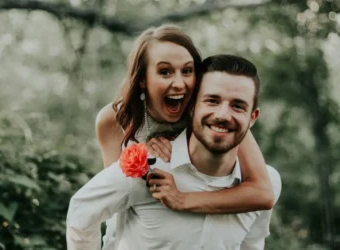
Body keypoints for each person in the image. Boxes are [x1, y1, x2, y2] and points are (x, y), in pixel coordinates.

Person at [66, 54, 282, 250]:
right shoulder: (147, 168)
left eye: (238, 106)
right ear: (191, 107)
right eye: (212, 101)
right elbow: (81, 212)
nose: (223, 114)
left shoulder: (268, 182)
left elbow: (251, 244)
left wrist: (183, 199)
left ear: (253, 117)